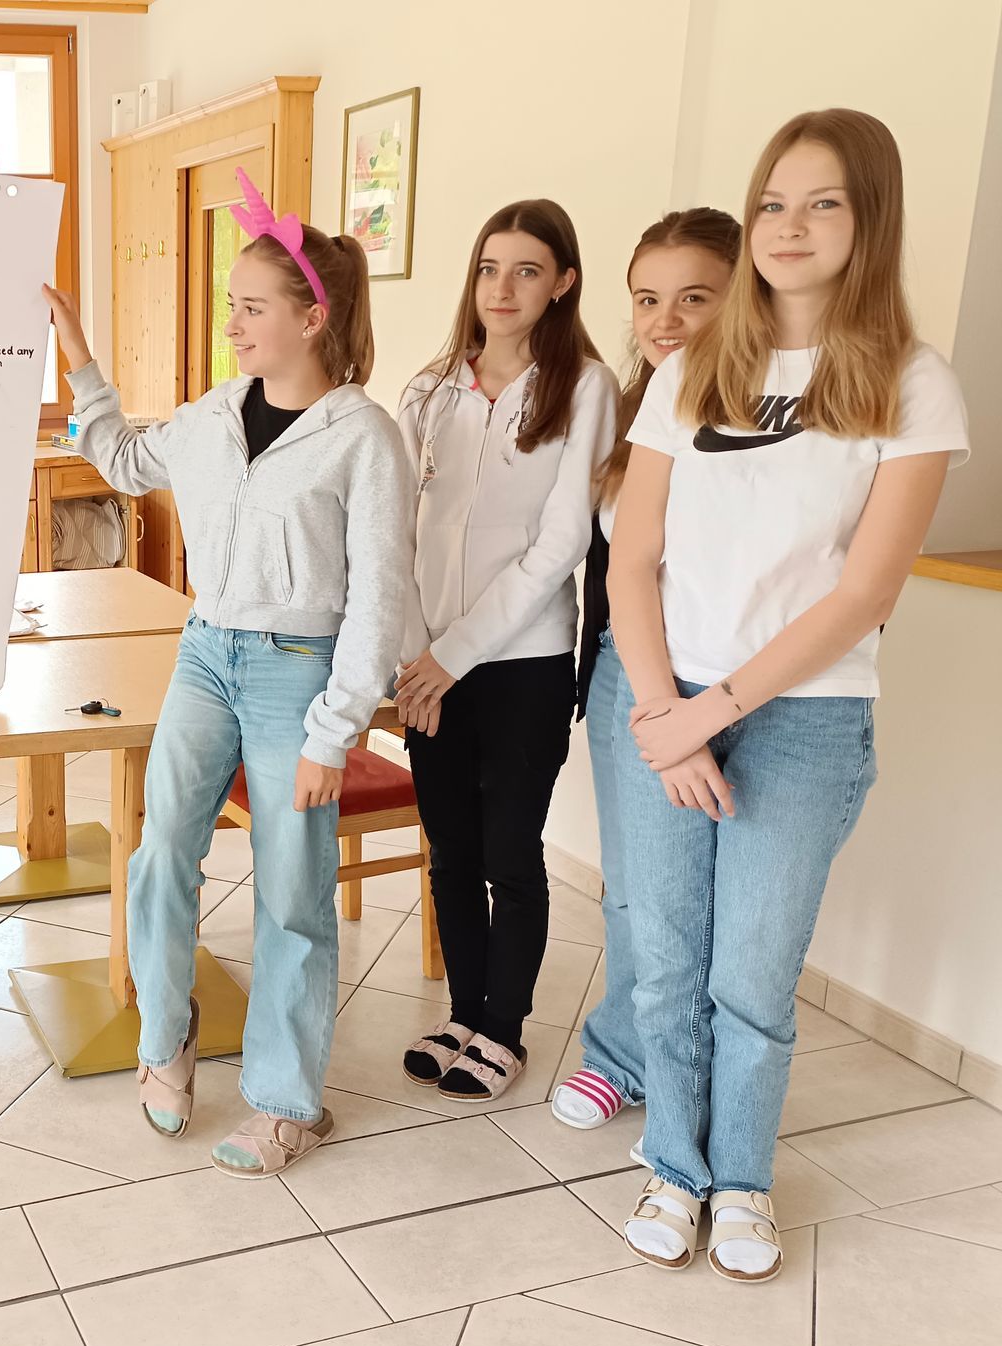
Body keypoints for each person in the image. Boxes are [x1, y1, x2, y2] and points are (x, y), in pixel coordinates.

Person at [611, 110, 967, 1282]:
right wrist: (664, 717)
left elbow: (866, 592)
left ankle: (743, 1182)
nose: (790, 226)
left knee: (750, 976)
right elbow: (632, 559)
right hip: (670, 700)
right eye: (773, 202)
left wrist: (706, 717)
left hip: (805, 720)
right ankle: (674, 1167)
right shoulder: (689, 369)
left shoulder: (912, 382)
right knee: (667, 962)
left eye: (823, 203)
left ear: (871, 219)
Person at [44, 169, 414, 1177]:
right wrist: (79, 359)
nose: (232, 324)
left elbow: (379, 598)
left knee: (293, 889)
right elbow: (125, 461)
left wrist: (337, 730)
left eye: (251, 307)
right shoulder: (213, 415)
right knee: (160, 851)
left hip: (300, 672)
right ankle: (164, 1039)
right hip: (206, 653)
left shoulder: (363, 438)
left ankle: (287, 1102)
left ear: (313, 318)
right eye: (232, 305)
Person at [394, 201, 619, 1103]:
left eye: (527, 270)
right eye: (490, 267)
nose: (503, 287)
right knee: (450, 850)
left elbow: (562, 542)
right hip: (428, 666)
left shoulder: (585, 386)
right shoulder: (430, 389)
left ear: (563, 282)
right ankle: (462, 1013)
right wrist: (417, 654)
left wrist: (455, 654)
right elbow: (395, 531)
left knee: (510, 856)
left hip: (523, 664)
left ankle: (504, 1029)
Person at [553, 208, 742, 1142]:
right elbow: (608, 568)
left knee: (726, 910)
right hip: (632, 678)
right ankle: (622, 1054)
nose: (664, 321)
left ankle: (710, 1076)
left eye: (694, 298)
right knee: (634, 888)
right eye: (646, 299)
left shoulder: (775, 421)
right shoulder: (630, 414)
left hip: (746, 688)